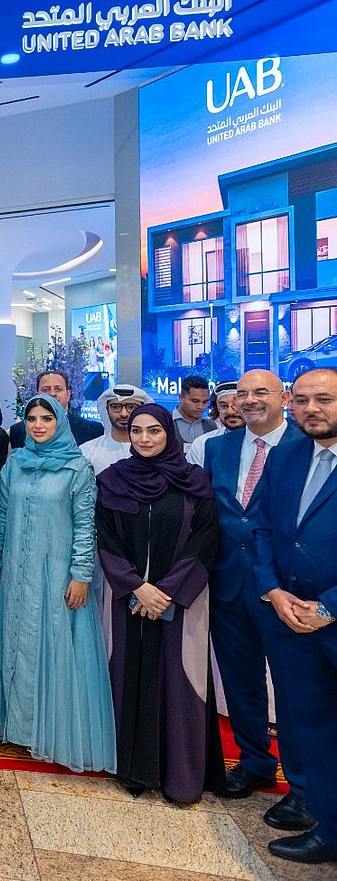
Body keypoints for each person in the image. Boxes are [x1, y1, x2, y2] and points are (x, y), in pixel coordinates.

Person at [96, 404, 222, 803]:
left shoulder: (194, 481)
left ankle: (180, 776)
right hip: (128, 602)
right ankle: (133, 768)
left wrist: (166, 591)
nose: (145, 439)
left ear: (169, 433)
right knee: (126, 672)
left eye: (154, 431)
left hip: (179, 602)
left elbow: (205, 538)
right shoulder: (113, 480)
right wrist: (136, 587)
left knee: (180, 677)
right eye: (137, 431)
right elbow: (105, 539)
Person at [205, 371, 310, 827]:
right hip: (227, 584)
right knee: (240, 680)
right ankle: (254, 764)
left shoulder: (306, 446)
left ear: (283, 397)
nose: (249, 401)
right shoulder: (216, 448)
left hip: (286, 591)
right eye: (241, 394)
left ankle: (305, 786)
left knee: (292, 690)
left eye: (260, 393)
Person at [0, 395, 115, 773]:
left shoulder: (78, 468)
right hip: (16, 571)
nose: (38, 425)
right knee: (17, 643)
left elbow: (85, 528)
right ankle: (20, 727)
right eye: (32, 419)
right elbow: (2, 516)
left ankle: (51, 730)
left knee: (53, 646)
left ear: (60, 422)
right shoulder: (16, 464)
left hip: (57, 575)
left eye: (46, 418)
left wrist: (81, 575)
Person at [252, 368, 337, 865]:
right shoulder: (287, 455)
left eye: (323, 399)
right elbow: (264, 529)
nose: (311, 409)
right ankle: (329, 829)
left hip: (327, 614)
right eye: (302, 400)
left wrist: (329, 606)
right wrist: (273, 590)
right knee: (314, 732)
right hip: (294, 623)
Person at [7, 370, 104, 448]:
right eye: (45, 389)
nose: (52, 394)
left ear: (68, 394)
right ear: (36, 395)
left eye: (58, 389)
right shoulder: (18, 431)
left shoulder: (93, 430)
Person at [80, 384, 154, 476]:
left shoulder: (153, 449)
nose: (124, 414)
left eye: (131, 407)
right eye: (116, 407)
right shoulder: (87, 451)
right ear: (107, 410)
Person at [186, 381, 243, 467]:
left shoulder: (261, 442)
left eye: (236, 405)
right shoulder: (202, 443)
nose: (230, 412)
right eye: (223, 406)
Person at [172, 375, 216, 451]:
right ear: (181, 397)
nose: (200, 406)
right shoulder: (165, 422)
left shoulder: (211, 426)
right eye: (195, 401)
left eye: (205, 402)